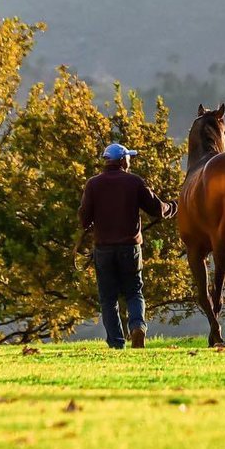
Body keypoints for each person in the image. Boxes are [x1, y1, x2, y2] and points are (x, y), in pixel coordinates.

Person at [78, 143, 176, 349]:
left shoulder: (93, 184)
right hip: (129, 248)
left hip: (103, 249)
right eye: (129, 158)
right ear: (123, 160)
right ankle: (137, 325)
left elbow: (84, 219)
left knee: (108, 299)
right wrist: (173, 207)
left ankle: (116, 343)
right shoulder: (134, 182)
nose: (130, 161)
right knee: (134, 292)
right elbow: (157, 209)